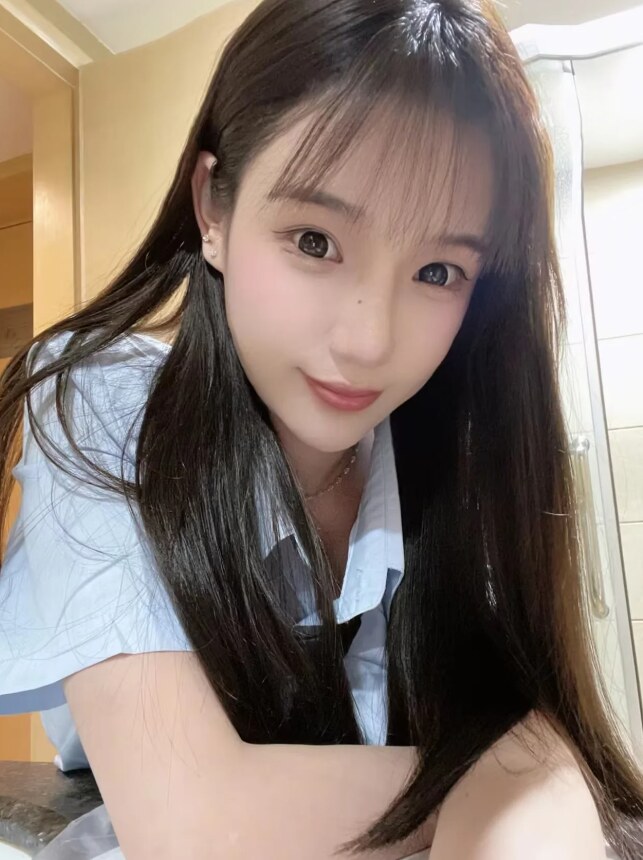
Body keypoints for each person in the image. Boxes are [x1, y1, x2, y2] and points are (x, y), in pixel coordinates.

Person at [0, 0, 641, 858]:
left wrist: (524, 763)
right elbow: (188, 821)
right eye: (313, 240)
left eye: (437, 271)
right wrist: (502, 772)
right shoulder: (107, 400)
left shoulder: (451, 449)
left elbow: (516, 723)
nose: (369, 341)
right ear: (213, 208)